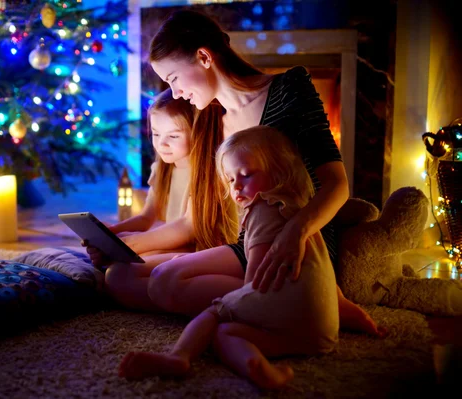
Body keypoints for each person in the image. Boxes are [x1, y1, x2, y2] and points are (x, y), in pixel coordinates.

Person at [144, 9, 383, 336]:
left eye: (173, 78)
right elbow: (202, 217)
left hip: (298, 242)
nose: (174, 93)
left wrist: (294, 233)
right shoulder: (212, 121)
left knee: (166, 285)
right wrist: (130, 243)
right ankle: (298, 303)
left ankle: (314, 296)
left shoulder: (289, 89)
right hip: (249, 246)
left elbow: (337, 185)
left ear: (203, 56)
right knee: (154, 282)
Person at [119, 127, 339, 389]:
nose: (236, 187)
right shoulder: (302, 210)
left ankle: (178, 357)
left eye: (245, 175)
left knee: (215, 316)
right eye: (230, 180)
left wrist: (229, 303)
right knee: (226, 335)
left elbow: (254, 283)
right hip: (321, 331)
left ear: (279, 171)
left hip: (285, 311)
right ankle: (257, 367)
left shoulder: (263, 210)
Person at [85, 87, 237, 311]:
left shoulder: (209, 171)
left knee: (118, 275)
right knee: (121, 260)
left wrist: (127, 244)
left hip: (200, 250)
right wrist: (113, 234)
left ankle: (208, 298)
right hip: (177, 247)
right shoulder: (162, 168)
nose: (162, 144)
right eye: (156, 134)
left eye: (173, 136)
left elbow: (188, 228)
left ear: (197, 132)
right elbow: (146, 218)